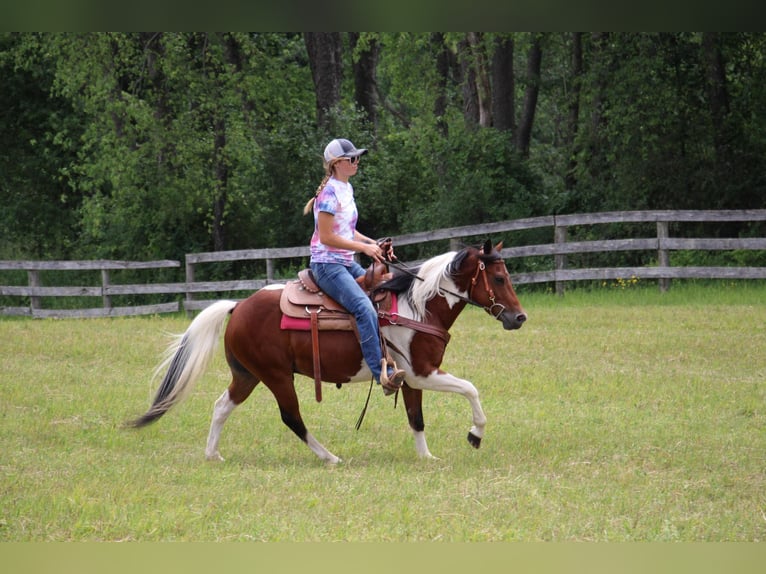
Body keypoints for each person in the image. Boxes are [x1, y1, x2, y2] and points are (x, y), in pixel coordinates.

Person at [303, 138, 405, 395]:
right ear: (337, 164)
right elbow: (326, 237)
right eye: (352, 159)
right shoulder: (328, 193)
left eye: (358, 158)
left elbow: (348, 230)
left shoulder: (345, 189)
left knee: (385, 289)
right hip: (327, 265)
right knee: (363, 308)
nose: (357, 162)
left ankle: (397, 353)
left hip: (345, 262)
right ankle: (382, 373)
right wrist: (364, 249)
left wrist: (374, 243)